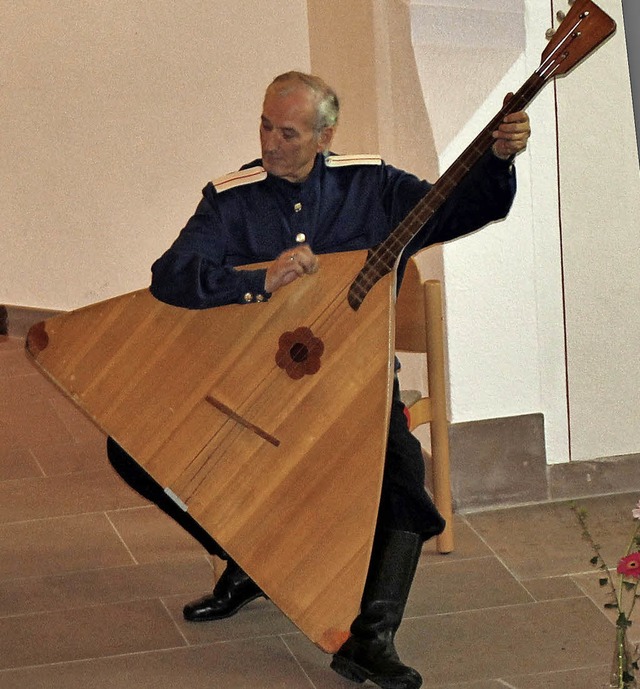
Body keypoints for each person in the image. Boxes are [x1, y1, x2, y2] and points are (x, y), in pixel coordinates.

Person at [107, 71, 530, 689]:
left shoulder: (372, 184)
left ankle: (370, 638)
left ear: (325, 134)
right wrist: (254, 281)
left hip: (353, 385)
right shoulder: (232, 199)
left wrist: (496, 159)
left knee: (402, 470)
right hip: (264, 385)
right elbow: (171, 274)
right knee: (134, 444)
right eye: (264, 126)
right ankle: (251, 562)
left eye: (288, 132)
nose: (271, 143)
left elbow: (458, 209)